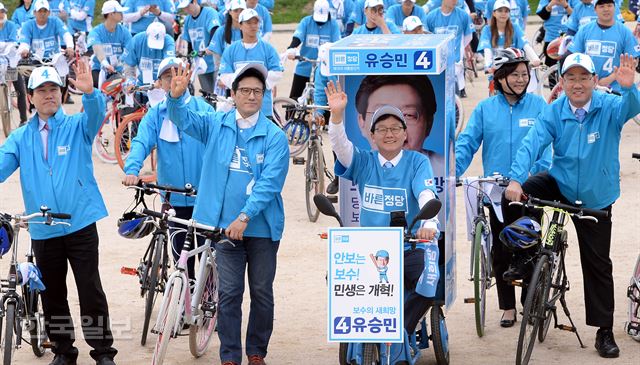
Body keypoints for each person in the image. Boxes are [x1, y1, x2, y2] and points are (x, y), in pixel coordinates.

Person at [503, 52, 640, 359]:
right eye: (571, 78)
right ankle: (526, 256)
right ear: (561, 82)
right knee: (521, 193)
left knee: (598, 264)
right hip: (562, 184)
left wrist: (630, 88)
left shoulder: (609, 107)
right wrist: (514, 179)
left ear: (594, 80)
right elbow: (532, 142)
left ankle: (603, 331)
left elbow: (633, 107)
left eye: (583, 78)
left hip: (596, 196)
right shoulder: (555, 111)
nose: (577, 85)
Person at [166, 62, 289, 365]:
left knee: (261, 292)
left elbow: (269, 184)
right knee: (230, 293)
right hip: (223, 229)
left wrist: (244, 217)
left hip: (260, 229)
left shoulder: (275, 137)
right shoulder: (216, 123)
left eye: (257, 91)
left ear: (265, 96)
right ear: (232, 94)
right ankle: (230, 355)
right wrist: (176, 97)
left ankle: (257, 351)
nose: (251, 96)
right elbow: (182, 119)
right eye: (245, 90)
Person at [0, 60, 118, 365]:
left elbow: (95, 115)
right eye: (41, 90)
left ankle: (103, 352)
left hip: (80, 223)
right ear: (31, 98)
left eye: (53, 88)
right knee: (52, 295)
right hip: (43, 228)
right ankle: (64, 351)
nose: (48, 94)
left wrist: (91, 93)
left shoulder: (77, 125)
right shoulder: (21, 137)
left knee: (90, 290)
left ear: (60, 91)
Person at [325, 79, 440, 338]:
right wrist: (336, 116)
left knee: (428, 280)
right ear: (372, 134)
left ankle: (402, 331)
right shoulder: (364, 162)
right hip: (370, 248)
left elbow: (425, 193)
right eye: (383, 129)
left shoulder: (417, 161)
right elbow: (340, 146)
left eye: (396, 128)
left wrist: (429, 224)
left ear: (404, 132)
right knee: (336, 279)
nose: (389, 134)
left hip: (410, 245)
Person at [455, 48, 551, 327]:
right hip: (496, 190)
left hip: (530, 188)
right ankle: (507, 307)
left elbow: (546, 146)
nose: (521, 79)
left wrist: (536, 175)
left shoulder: (538, 106)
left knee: (530, 245)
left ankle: (530, 303)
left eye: (525, 74)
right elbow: (467, 143)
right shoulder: (486, 109)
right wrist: (452, 174)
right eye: (514, 74)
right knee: (500, 249)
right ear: (500, 78)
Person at [122, 57, 213, 277]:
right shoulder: (155, 114)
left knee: (207, 258)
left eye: (177, 74)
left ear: (188, 77)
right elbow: (141, 142)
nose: (173, 80)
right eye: (167, 77)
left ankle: (210, 306)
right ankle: (183, 304)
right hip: (172, 197)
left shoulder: (203, 109)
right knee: (182, 260)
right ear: (160, 83)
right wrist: (132, 170)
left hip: (204, 196)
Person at [219, 8, 284, 118]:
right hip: (238, 109)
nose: (253, 26)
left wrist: (258, 83)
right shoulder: (231, 50)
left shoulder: (267, 48)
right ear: (240, 25)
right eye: (248, 23)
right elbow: (224, 75)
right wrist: (243, 85)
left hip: (264, 108)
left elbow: (277, 72)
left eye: (256, 22)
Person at [567, 0, 640, 92]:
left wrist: (610, 78)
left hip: (615, 89)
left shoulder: (625, 32)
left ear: (615, 8)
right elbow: (573, 56)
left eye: (609, 5)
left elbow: (633, 60)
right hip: (588, 87)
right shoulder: (585, 30)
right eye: (601, 6)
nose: (606, 9)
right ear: (595, 9)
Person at [285, 0, 341, 101]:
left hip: (323, 68)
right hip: (304, 65)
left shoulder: (333, 25)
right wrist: (291, 48)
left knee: (325, 98)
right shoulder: (306, 21)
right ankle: (290, 116)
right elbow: (298, 36)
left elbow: (337, 43)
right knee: (294, 97)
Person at [424, 0, 475, 97]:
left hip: (455, 64)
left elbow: (469, 36)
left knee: (454, 97)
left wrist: (458, 51)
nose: (455, 1)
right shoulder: (431, 16)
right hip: (438, 65)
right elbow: (428, 38)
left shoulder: (463, 15)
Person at [176, 0, 221, 94]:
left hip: (214, 61)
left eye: (188, 6)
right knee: (207, 95)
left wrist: (209, 48)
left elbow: (215, 31)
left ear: (195, 2)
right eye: (184, 8)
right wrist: (189, 58)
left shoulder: (209, 12)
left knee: (218, 95)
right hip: (201, 64)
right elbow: (189, 42)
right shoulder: (188, 19)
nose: (186, 9)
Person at [86, 0, 132, 88]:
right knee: (97, 90)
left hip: (119, 71)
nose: (122, 14)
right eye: (119, 12)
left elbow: (129, 49)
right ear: (111, 14)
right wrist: (106, 65)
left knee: (125, 91)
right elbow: (97, 50)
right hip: (99, 69)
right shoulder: (96, 31)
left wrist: (120, 63)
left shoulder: (124, 31)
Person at [207, 0, 245, 95]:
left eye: (242, 10)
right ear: (230, 12)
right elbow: (217, 58)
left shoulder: (249, 30)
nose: (239, 13)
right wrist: (221, 76)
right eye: (236, 10)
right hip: (226, 75)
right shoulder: (221, 31)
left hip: (245, 75)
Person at [122, 21, 176, 87]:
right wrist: (130, 80)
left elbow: (169, 65)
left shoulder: (169, 41)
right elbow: (129, 64)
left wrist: (162, 81)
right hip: (142, 85)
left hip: (161, 86)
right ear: (147, 35)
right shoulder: (136, 40)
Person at [0, 3, 28, 126]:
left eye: (2, 11)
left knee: (19, 89)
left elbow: (12, 43)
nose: (1, 14)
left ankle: (23, 119)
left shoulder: (10, 25)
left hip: (10, 62)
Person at [535, 0, 572, 88]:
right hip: (551, 38)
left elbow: (576, 16)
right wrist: (551, 4)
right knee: (551, 70)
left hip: (568, 38)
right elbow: (542, 15)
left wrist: (565, 5)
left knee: (569, 68)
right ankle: (554, 94)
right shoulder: (546, 1)